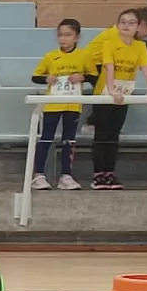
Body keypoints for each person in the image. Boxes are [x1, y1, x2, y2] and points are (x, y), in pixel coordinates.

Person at [83, 5, 147, 191]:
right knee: (103, 130)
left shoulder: (136, 44)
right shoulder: (112, 38)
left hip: (120, 83)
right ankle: (99, 173)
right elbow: (108, 66)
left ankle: (109, 172)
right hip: (94, 70)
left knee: (113, 131)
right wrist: (109, 88)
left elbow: (143, 60)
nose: (146, 36)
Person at [30, 17, 92, 191]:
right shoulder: (51, 57)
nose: (63, 39)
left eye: (67, 35)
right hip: (52, 104)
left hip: (72, 105)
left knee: (69, 140)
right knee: (46, 139)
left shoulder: (84, 55)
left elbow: (94, 75)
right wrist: (46, 79)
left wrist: (83, 77)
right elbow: (35, 76)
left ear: (77, 37)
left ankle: (66, 175)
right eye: (60, 35)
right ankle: (39, 175)